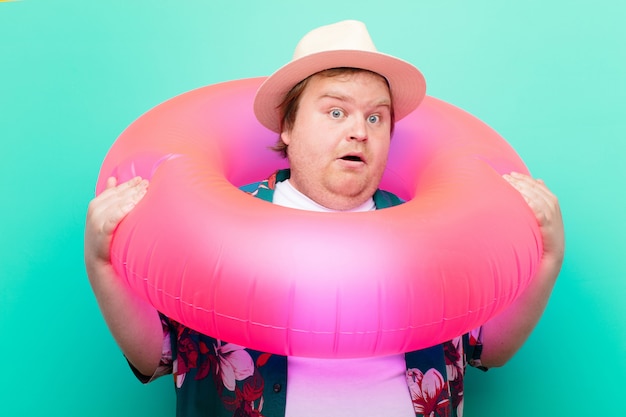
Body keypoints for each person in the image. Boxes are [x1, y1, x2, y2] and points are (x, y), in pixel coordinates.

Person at [85, 20, 564, 417]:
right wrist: (101, 263)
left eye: (376, 118)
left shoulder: (436, 230)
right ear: (288, 127)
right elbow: (158, 355)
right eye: (336, 112)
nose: (359, 130)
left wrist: (547, 257)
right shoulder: (217, 227)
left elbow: (488, 350)